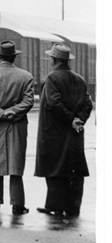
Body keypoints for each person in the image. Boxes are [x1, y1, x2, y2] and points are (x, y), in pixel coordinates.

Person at [34, 43, 93, 217]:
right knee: (74, 169)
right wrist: (79, 120)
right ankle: (73, 207)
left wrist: (70, 119)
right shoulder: (79, 79)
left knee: (54, 168)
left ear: (54, 59)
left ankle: (55, 205)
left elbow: (53, 103)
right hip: (74, 134)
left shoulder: (52, 78)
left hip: (54, 133)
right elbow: (88, 104)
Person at [0, 40, 34, 215]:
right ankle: (18, 204)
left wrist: (0, 113)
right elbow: (28, 101)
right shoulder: (26, 76)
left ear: (0, 56)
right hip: (17, 124)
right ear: (14, 57)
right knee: (16, 163)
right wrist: (12, 111)